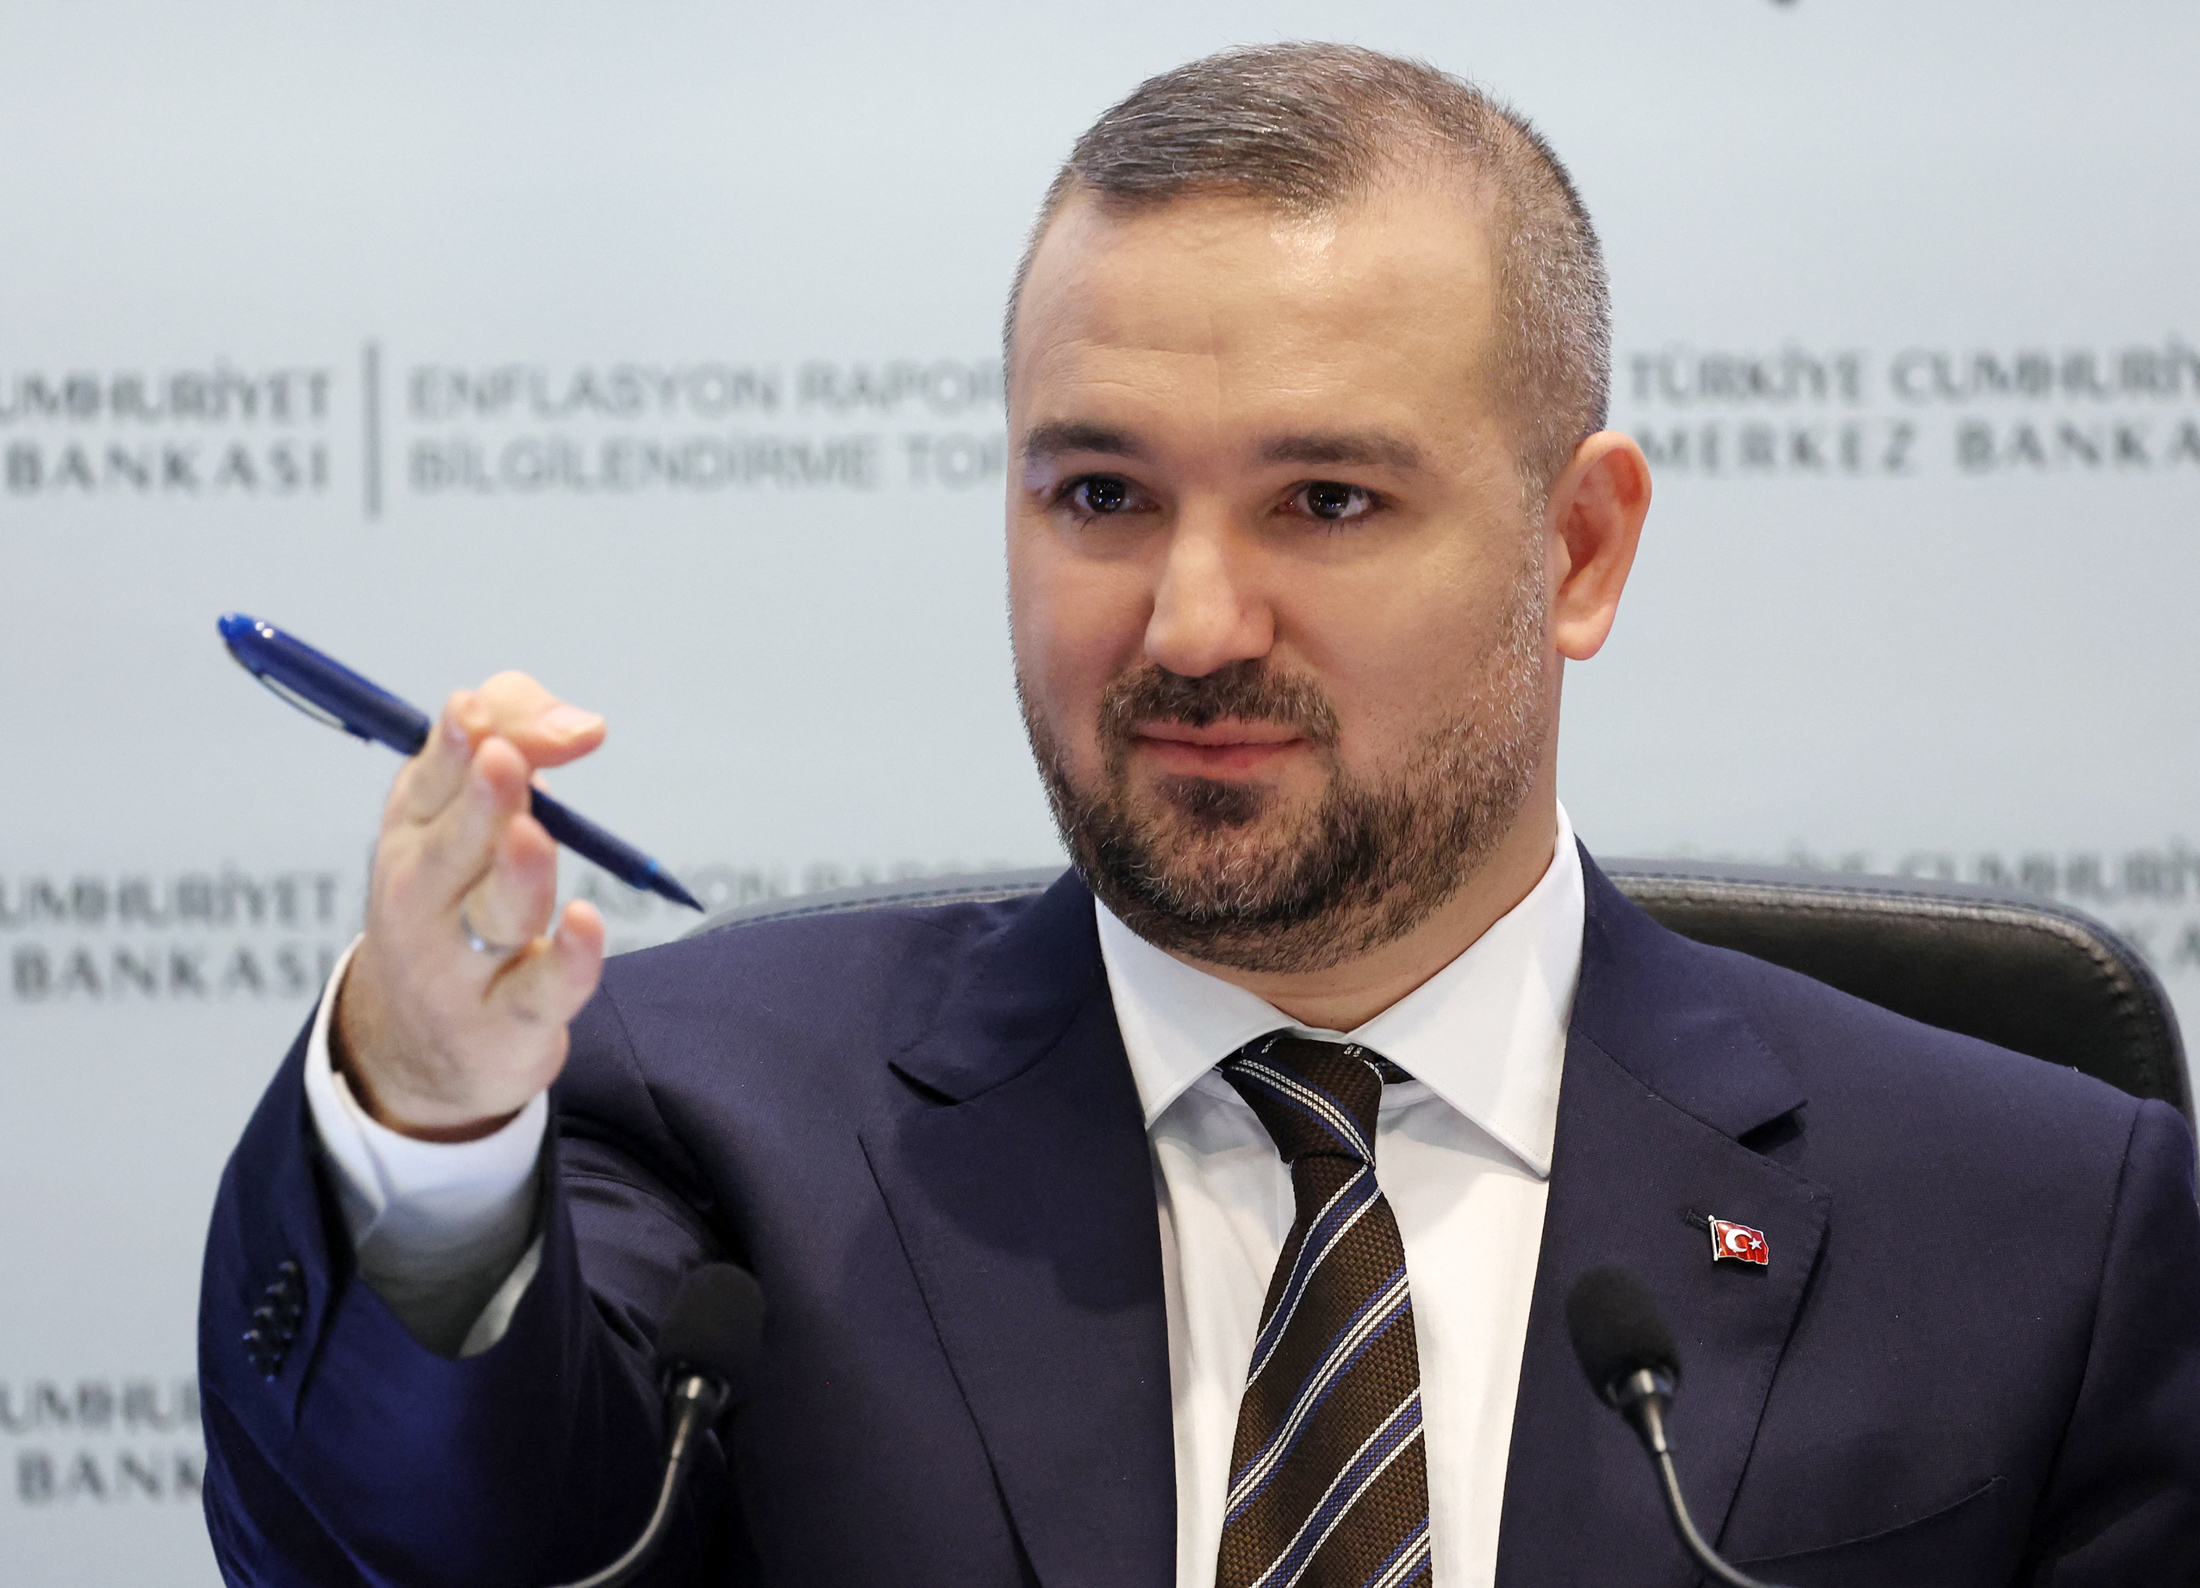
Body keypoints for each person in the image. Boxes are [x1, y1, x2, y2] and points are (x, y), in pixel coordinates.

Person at [198, 42, 2200, 1588]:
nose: (1189, 623)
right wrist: (433, 1122)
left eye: (1325, 500)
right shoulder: (709, 1126)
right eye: (1100, 495)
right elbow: (421, 1550)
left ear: (1578, 547)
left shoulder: (2036, 1224)